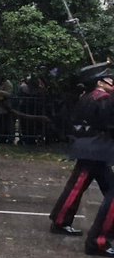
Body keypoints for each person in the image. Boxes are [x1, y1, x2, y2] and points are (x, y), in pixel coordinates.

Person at [48, 63, 114, 246]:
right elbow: (107, 123)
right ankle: (61, 221)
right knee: (77, 186)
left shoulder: (88, 97)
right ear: (100, 82)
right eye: (110, 79)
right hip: (95, 148)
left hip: (92, 148)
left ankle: (61, 220)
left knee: (102, 187)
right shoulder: (102, 99)